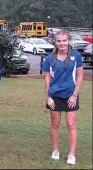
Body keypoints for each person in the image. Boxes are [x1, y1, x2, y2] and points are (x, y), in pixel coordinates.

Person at [42, 31, 83, 165]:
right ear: (55, 42)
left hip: (71, 95)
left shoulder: (76, 56)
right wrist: (48, 96)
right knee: (55, 124)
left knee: (71, 124)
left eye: (64, 40)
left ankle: (72, 154)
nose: (62, 43)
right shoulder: (49, 58)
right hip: (55, 96)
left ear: (68, 41)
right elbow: (47, 78)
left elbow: (80, 76)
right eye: (59, 41)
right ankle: (56, 150)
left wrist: (74, 95)